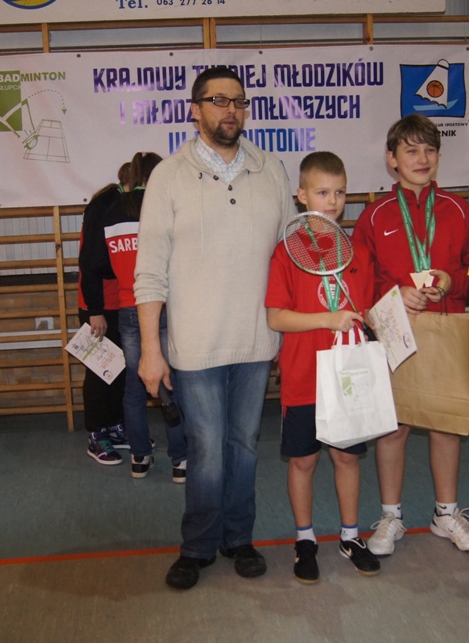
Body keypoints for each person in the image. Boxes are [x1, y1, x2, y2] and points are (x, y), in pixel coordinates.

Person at [133, 65, 297, 590]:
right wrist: (151, 350)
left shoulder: (271, 170)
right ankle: (198, 546)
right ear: (195, 109)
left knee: (244, 444)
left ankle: (238, 538)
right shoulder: (169, 175)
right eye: (219, 100)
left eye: (239, 101)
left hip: (256, 341)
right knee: (204, 448)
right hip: (195, 345)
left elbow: (291, 253)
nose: (231, 110)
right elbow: (149, 270)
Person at [351, 113, 469, 557]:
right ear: (392, 159)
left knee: (446, 424)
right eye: (411, 150)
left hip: (445, 330)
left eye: (430, 150)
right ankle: (391, 515)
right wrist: (395, 294)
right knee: (393, 428)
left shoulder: (460, 211)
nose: (421, 158)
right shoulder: (373, 216)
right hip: (396, 335)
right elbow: (361, 284)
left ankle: (446, 513)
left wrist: (450, 281)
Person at [265, 151, 381, 584]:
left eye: (340, 192)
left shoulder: (358, 252)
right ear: (301, 195)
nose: (332, 202)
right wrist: (326, 319)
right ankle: (305, 540)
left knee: (347, 459)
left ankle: (351, 536)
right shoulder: (286, 253)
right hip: (303, 377)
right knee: (304, 462)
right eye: (322, 192)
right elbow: (277, 317)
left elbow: (368, 311)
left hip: (347, 379)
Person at [91, 151, 188, 482]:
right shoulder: (162, 208)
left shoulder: (110, 212)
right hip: (164, 306)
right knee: (172, 383)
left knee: (134, 388)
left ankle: (139, 458)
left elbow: (100, 263)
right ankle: (180, 461)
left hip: (129, 308)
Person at [77, 163, 130, 465]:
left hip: (120, 301)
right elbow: (89, 262)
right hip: (97, 304)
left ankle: (114, 426)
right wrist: (94, 311)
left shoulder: (125, 203)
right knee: (99, 371)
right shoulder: (104, 205)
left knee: (119, 370)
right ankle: (97, 433)